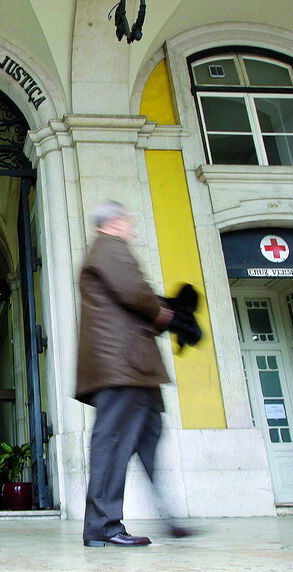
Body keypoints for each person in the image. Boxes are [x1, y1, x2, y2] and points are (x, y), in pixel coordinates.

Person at [75, 200, 192, 547]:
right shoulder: (110, 247)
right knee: (112, 446)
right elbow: (134, 292)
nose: (133, 229)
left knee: (146, 441)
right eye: (129, 222)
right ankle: (104, 528)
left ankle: (167, 519)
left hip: (133, 368)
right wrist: (167, 315)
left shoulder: (105, 250)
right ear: (113, 222)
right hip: (123, 368)